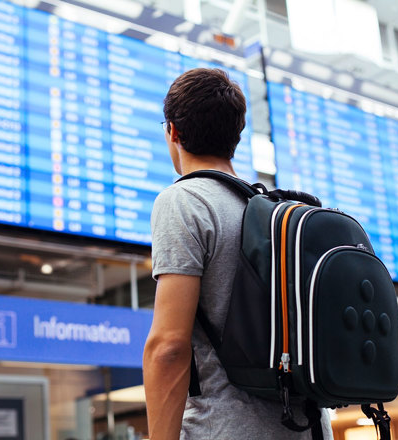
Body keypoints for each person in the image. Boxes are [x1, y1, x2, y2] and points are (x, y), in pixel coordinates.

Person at [142, 68, 333, 439]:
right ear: (237, 137)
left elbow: (167, 346)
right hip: (308, 429)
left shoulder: (185, 200)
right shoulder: (275, 214)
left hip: (228, 428)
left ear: (173, 132)